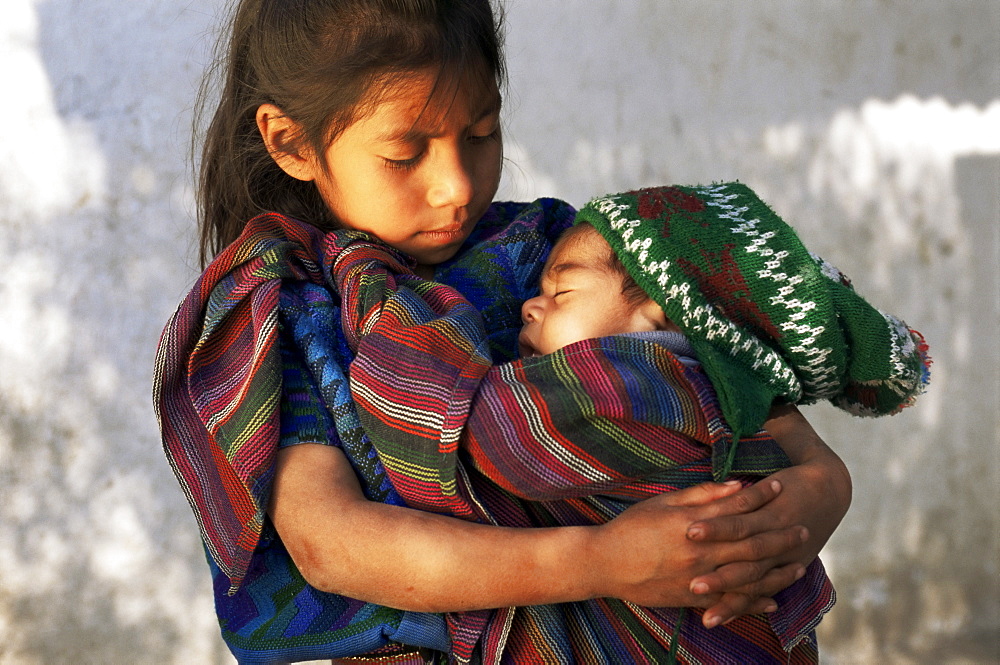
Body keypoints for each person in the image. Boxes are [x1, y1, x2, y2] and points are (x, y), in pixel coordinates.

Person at [153, 2, 855, 663]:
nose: (456, 184)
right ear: (290, 141)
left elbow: (771, 419)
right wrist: (605, 559)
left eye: (481, 132)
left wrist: (789, 515)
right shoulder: (290, 319)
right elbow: (332, 544)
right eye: (405, 153)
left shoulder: (557, 252)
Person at [327, 182, 930, 663]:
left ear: (655, 313)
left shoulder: (635, 380)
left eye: (561, 293)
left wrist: (385, 304)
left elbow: (492, 434)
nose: (529, 308)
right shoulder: (736, 399)